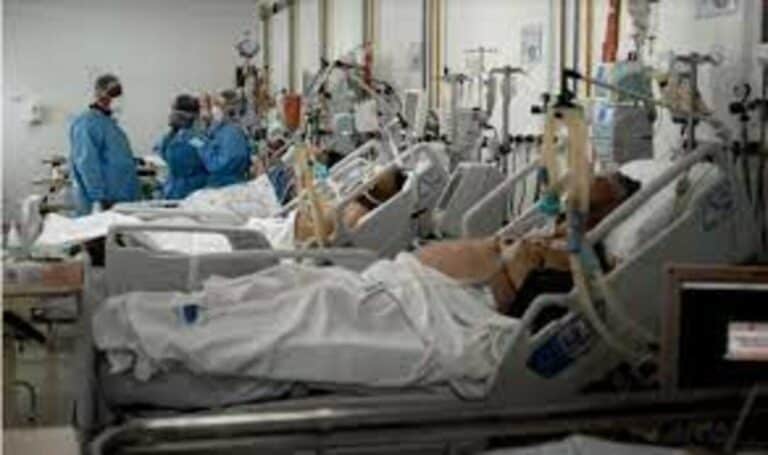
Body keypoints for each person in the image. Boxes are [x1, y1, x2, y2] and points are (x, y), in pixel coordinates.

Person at [417, 170, 641, 315]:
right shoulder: (556, 232)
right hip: (434, 284)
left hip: (467, 301)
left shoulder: (585, 255)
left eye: (589, 203)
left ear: (613, 208)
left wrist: (512, 252)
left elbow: (522, 294)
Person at [69, 74, 139, 215]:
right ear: (99, 94)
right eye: (113, 93)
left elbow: (114, 156)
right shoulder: (87, 123)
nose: (117, 98)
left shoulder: (110, 124)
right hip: (103, 202)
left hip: (119, 199)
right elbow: (87, 163)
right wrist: (98, 198)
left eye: (119, 93)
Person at [154, 95, 208, 199]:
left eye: (174, 110)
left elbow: (205, 156)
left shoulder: (195, 138)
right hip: (173, 188)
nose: (171, 114)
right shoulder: (171, 136)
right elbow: (160, 151)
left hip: (191, 190)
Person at [199, 89, 251, 188]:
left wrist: (201, 145)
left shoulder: (231, 133)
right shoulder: (217, 130)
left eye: (216, 105)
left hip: (226, 185)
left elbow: (222, 164)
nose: (213, 110)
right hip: (221, 184)